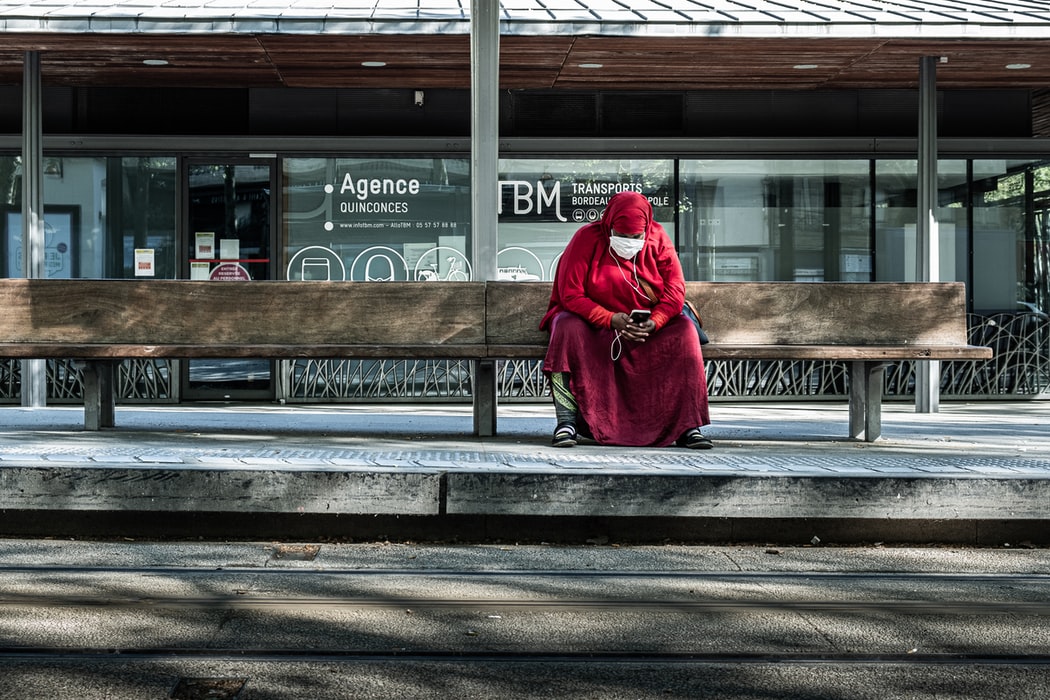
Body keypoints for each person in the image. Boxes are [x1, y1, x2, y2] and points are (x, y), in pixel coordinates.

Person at [540, 190, 712, 449]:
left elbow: (675, 291)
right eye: (621, 236)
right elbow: (570, 294)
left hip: (646, 327)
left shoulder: (658, 239)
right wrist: (610, 319)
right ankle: (567, 422)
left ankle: (688, 426)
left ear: (646, 229)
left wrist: (654, 322)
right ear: (609, 225)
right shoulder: (586, 239)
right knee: (565, 326)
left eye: (635, 237)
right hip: (594, 325)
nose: (629, 242)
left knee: (685, 330)